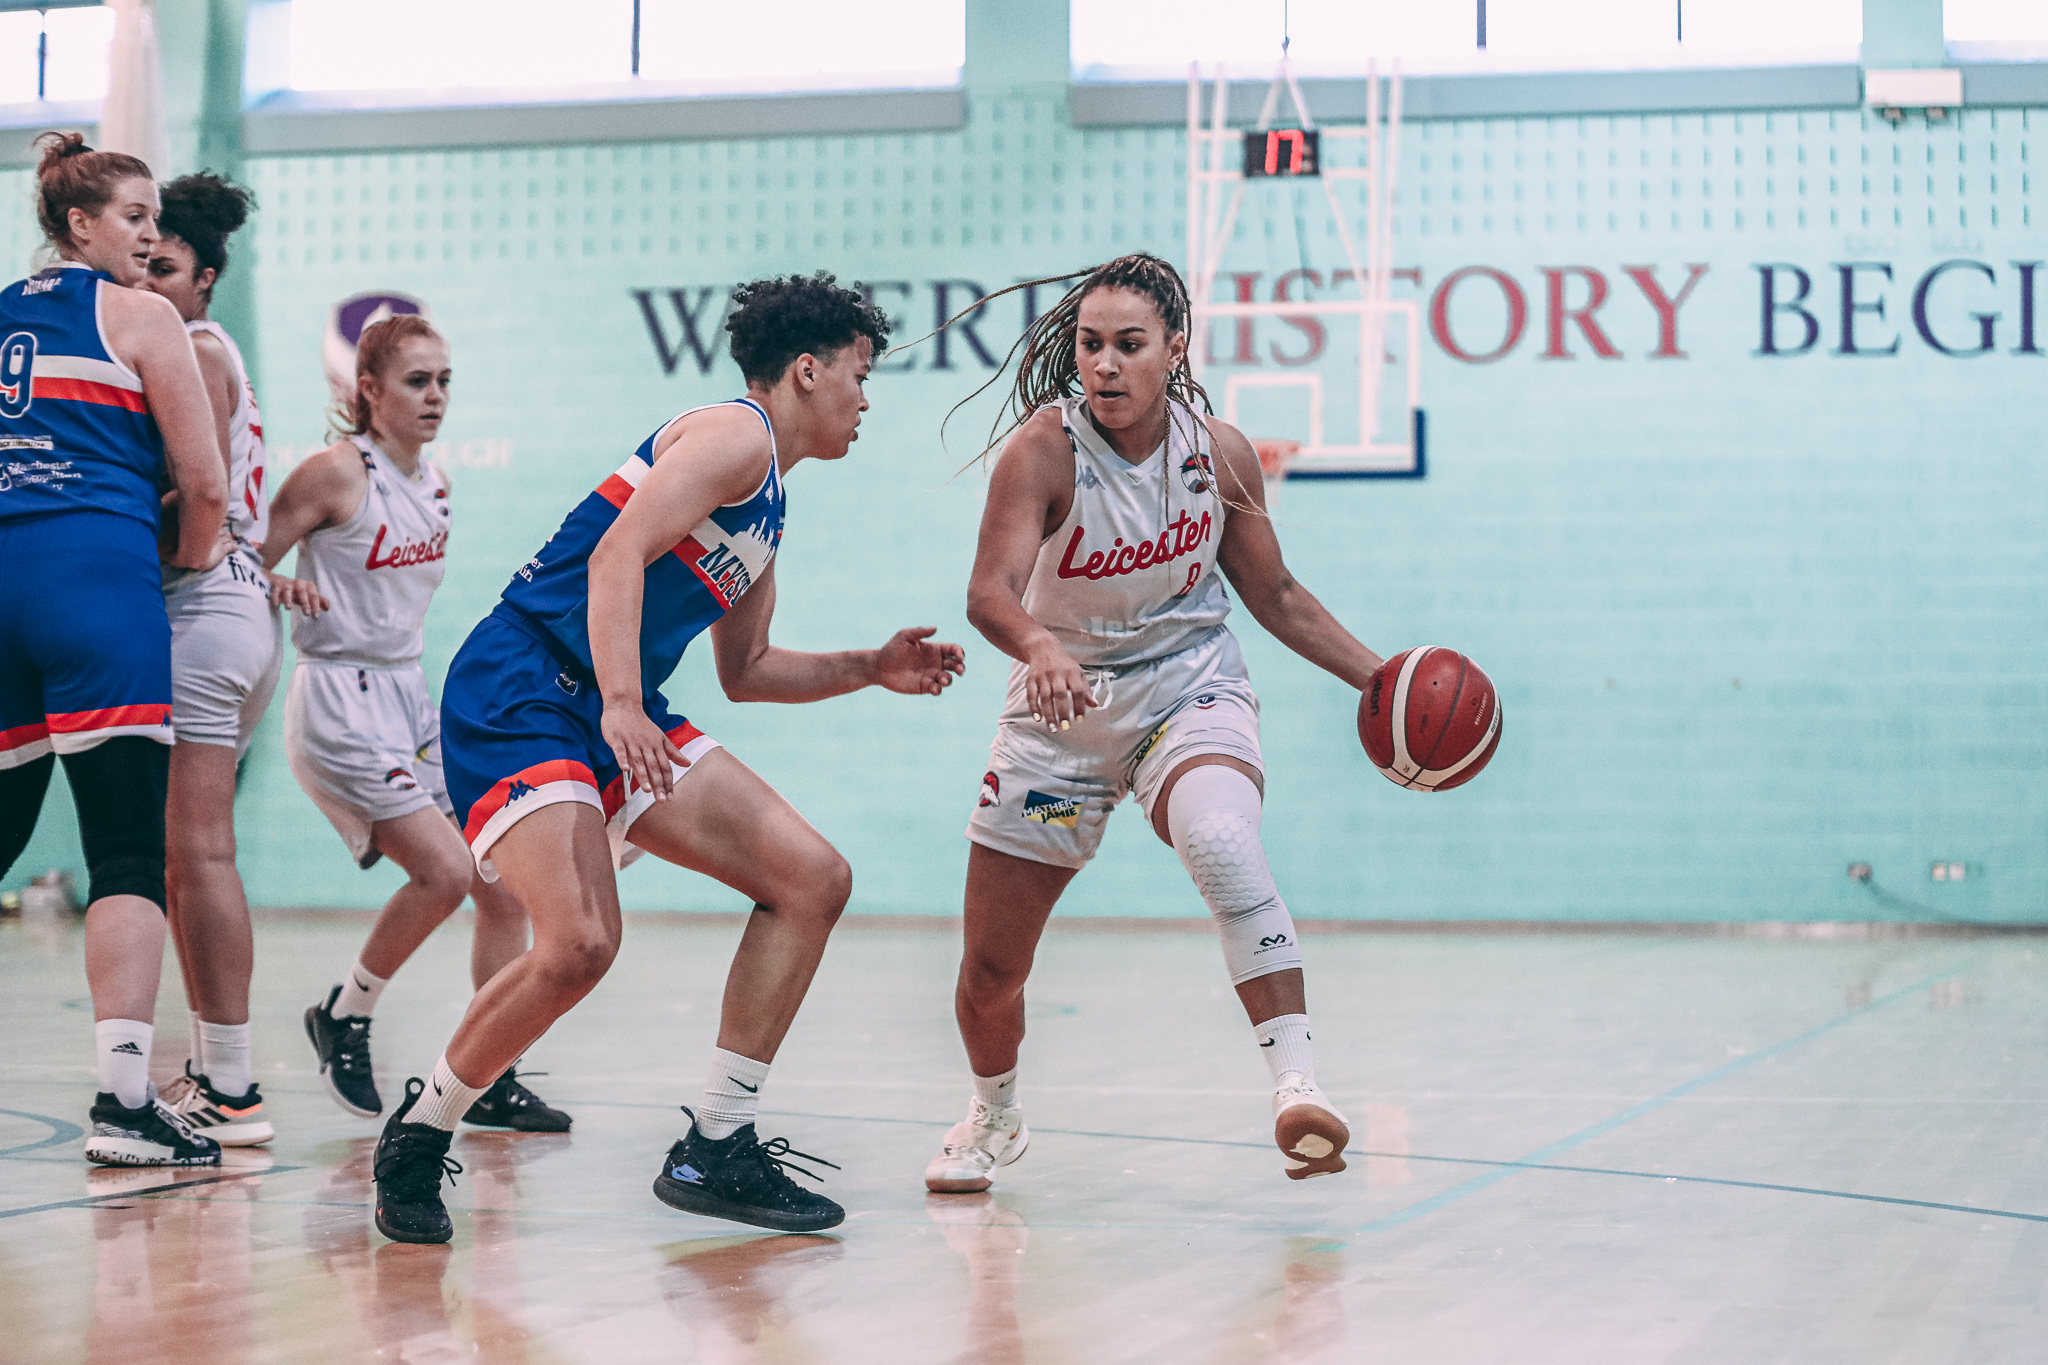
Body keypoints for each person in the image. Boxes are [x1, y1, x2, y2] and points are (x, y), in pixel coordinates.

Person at [368, 272, 965, 1245]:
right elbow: (613, 556)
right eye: (860, 376)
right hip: (527, 683)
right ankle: (421, 1129)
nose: (865, 399)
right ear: (806, 372)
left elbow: (751, 670)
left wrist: (870, 665)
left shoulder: (770, 507)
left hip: (613, 702)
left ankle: (716, 1144)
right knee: (577, 949)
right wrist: (616, 705)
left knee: (809, 879)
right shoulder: (733, 436)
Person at [926, 252, 1382, 1194]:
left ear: (1173, 349)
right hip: (1063, 721)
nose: (1104, 364)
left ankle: (1298, 1085)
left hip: (1188, 688)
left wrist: (1380, 678)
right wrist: (1040, 649)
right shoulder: (1044, 453)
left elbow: (1277, 594)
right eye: (1091, 345)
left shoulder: (1217, 452)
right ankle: (993, 1109)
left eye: (1128, 345)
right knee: (990, 972)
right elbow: (987, 593)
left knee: (1220, 837)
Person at [262, 314, 569, 1134]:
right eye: (416, 382)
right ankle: (346, 1014)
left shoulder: (436, 481)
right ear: (368, 390)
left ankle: (493, 1073)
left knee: (501, 883)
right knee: (445, 871)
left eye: (443, 382)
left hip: (408, 696)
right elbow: (233, 562)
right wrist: (279, 586)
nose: (435, 397)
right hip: (335, 696)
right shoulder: (332, 474)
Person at [0, 133, 229, 1166]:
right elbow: (209, 487)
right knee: (128, 852)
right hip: (98, 584)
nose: (150, 233)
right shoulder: (144, 316)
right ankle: (126, 1104)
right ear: (78, 224)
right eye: (134, 215)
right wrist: (182, 564)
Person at [139, 172, 309, 1148]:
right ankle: (216, 1071)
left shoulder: (195, 352)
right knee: (181, 852)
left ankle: (235, 1086)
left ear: (205, 280)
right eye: (140, 264)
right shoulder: (188, 345)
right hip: (228, 607)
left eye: (164, 268)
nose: (148, 282)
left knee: (197, 850)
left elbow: (186, 505)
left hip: (204, 603)